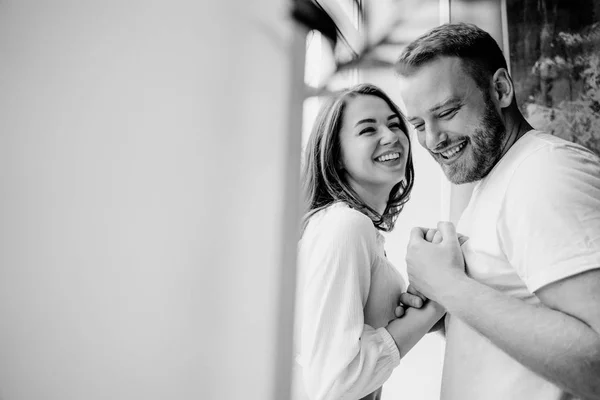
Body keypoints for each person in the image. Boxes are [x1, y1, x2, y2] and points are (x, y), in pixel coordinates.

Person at [395, 23, 600, 400]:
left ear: (501, 89)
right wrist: (446, 311)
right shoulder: (501, 177)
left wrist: (449, 285)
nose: (432, 139)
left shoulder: (544, 173)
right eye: (419, 124)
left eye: (447, 111)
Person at [292, 83, 444, 400]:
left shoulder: (348, 227)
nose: (391, 136)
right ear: (336, 155)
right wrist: (435, 304)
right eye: (367, 130)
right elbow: (334, 386)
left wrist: (409, 307)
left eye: (394, 123)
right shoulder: (346, 225)